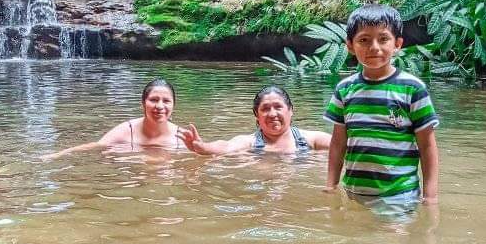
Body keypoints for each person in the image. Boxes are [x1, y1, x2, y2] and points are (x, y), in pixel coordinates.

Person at [323, 4, 440, 206]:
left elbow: (427, 146)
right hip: (353, 192)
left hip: (399, 194)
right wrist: (331, 185)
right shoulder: (344, 89)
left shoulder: (412, 89)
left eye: (383, 39)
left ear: (397, 44)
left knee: (392, 238)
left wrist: (430, 197)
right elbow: (338, 143)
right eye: (364, 40)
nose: (374, 47)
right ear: (350, 45)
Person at [46, 78, 184, 158]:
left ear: (174, 105)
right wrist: (58, 155)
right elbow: (97, 146)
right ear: (143, 103)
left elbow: (202, 153)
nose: (160, 106)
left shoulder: (182, 137)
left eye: (166, 101)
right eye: (154, 100)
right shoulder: (126, 130)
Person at [178, 85, 331, 155]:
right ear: (256, 115)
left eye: (278, 107)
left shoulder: (311, 139)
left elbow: (341, 145)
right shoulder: (249, 143)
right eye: (265, 109)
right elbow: (226, 146)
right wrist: (204, 147)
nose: (272, 114)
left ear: (291, 110)